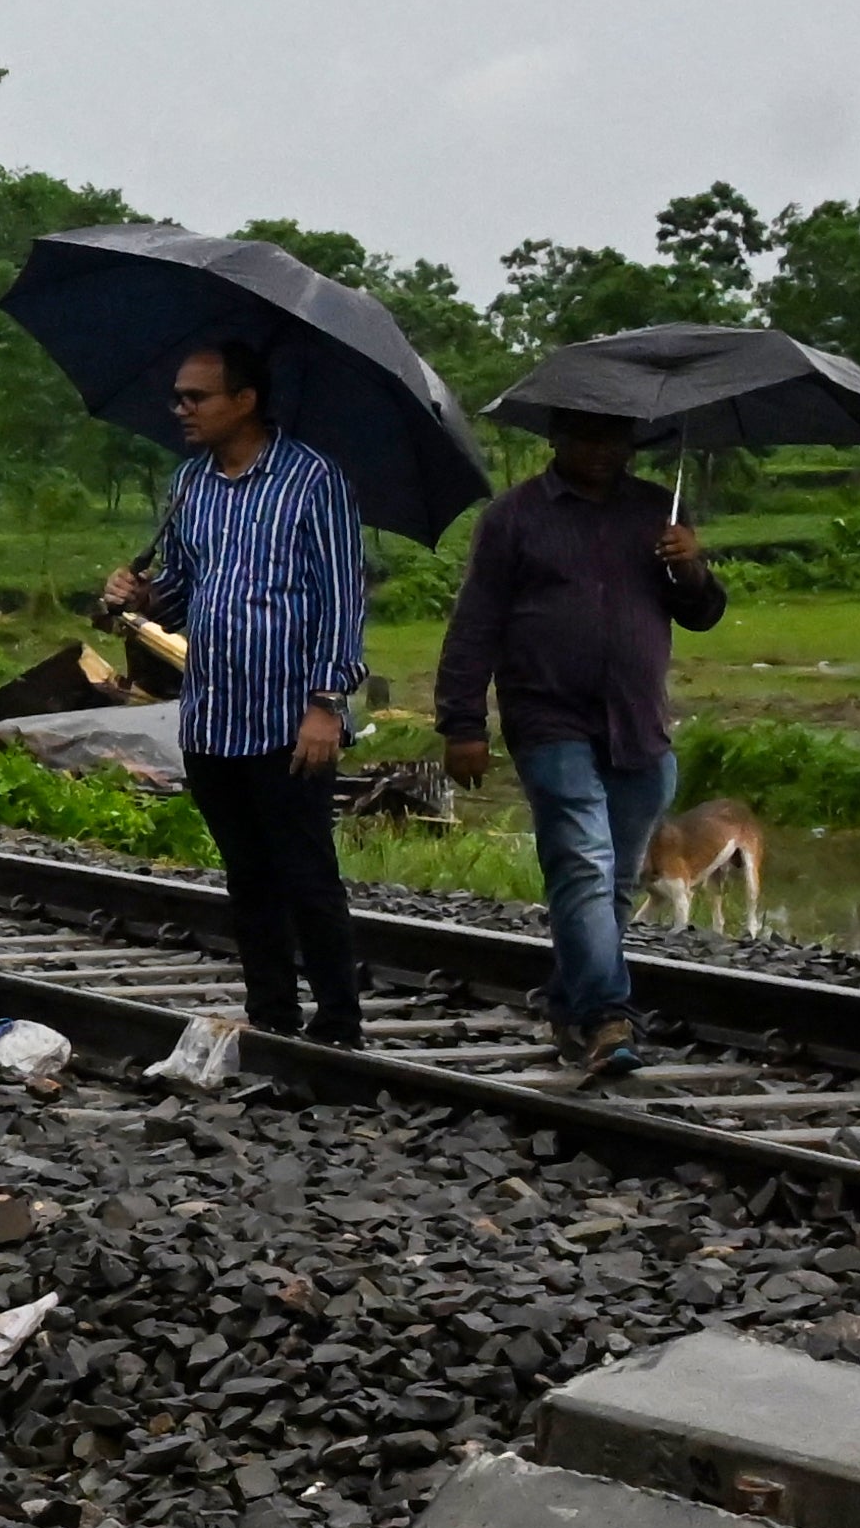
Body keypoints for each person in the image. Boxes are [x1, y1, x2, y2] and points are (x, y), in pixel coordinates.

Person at [435, 402, 724, 1080]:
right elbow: (475, 622)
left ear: (632, 440)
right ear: (556, 438)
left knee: (616, 881)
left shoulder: (656, 511)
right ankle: (607, 1016)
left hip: (638, 726)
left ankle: (568, 1006)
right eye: (584, 436)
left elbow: (704, 614)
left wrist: (692, 566)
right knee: (584, 866)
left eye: (614, 436)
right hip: (548, 720)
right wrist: (462, 722)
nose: (599, 449)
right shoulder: (514, 517)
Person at [107, 333, 371, 1051]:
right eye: (179, 397)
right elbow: (182, 598)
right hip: (213, 717)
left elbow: (343, 601)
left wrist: (328, 704)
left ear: (245, 401)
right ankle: (273, 1014)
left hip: (289, 718)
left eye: (197, 397)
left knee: (306, 873)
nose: (181, 409)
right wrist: (139, 596)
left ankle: (340, 1021)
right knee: (247, 876)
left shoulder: (313, 481)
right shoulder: (190, 484)